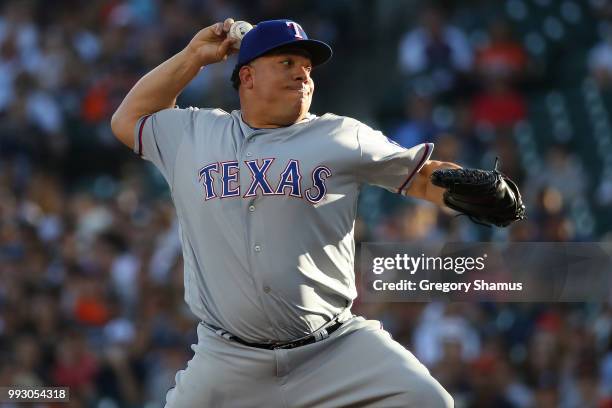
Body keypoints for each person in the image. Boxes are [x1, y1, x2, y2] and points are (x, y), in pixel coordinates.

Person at [111, 17, 457, 407]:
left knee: (429, 401)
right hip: (229, 359)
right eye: (287, 63)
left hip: (334, 350)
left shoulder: (340, 135)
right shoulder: (194, 133)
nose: (302, 75)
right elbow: (127, 119)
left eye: (307, 67)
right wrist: (194, 57)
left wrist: (472, 187)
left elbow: (422, 177)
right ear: (248, 77)